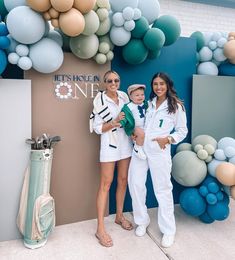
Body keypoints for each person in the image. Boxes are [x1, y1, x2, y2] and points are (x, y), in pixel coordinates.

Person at [128, 72, 188, 248]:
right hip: (140, 150)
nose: (158, 87)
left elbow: (182, 130)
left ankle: (168, 230)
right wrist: (135, 135)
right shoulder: (149, 103)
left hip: (159, 152)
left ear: (168, 85)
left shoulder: (176, 105)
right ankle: (141, 221)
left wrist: (168, 139)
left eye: (162, 84)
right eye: (155, 84)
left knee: (162, 190)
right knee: (136, 184)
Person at [89, 70, 133, 247]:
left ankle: (119, 216)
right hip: (109, 146)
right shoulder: (100, 101)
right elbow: (98, 128)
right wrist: (113, 123)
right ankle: (100, 228)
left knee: (123, 181)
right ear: (105, 83)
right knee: (105, 185)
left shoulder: (124, 97)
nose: (113, 83)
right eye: (109, 81)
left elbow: (132, 117)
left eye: (116, 80)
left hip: (126, 145)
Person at [120, 84, 148, 160]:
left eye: (142, 94)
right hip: (134, 127)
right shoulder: (129, 106)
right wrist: (121, 123)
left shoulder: (146, 104)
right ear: (130, 97)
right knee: (140, 132)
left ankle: (142, 148)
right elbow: (124, 116)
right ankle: (137, 148)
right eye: (137, 95)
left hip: (144, 127)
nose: (140, 97)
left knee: (145, 135)